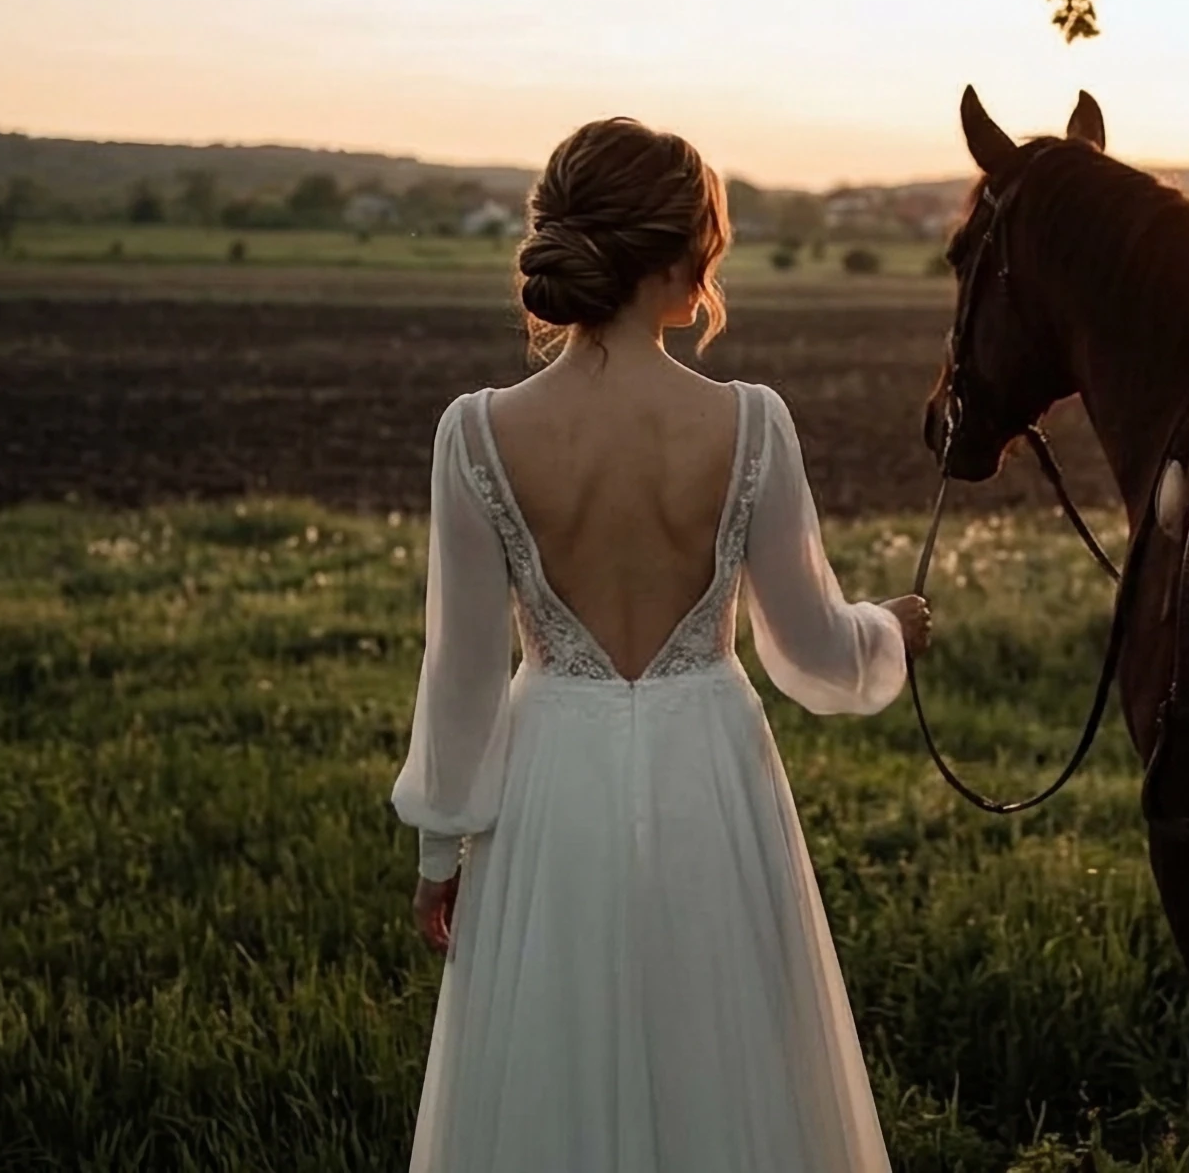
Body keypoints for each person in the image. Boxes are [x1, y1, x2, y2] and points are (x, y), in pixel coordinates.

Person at [390, 117, 931, 1172]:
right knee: (723, 1059)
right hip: (711, 778)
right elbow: (815, 650)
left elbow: (457, 674)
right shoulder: (749, 422)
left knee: (551, 1062)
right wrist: (891, 634)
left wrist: (435, 851)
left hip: (551, 778)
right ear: (688, 247)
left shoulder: (476, 432)